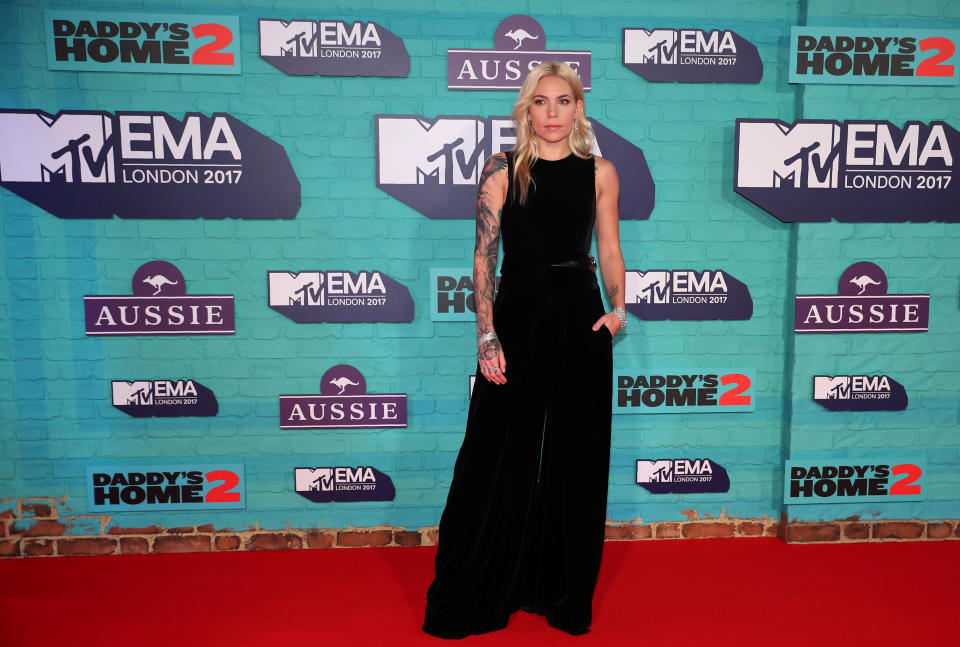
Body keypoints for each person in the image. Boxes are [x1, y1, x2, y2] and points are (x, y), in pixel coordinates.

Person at [423, 61, 626, 639]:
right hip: (518, 317)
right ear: (527, 109)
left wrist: (618, 309)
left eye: (564, 100)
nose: (554, 112)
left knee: (576, 459)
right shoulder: (502, 172)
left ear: (578, 108)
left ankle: (559, 593)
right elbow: (484, 259)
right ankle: (481, 590)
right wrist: (486, 335)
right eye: (542, 101)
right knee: (495, 454)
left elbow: (609, 248)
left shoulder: (600, 173)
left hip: (582, 320)